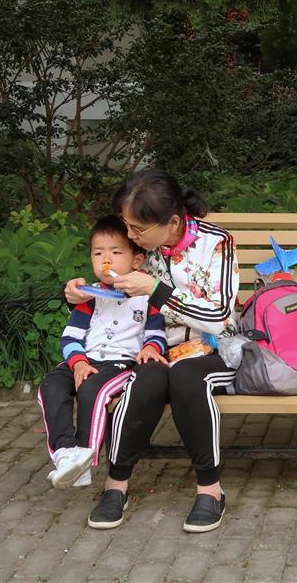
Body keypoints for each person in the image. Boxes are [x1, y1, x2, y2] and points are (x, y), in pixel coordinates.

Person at [64, 170, 239, 532]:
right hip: (150, 346)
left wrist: (155, 289)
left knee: (186, 380)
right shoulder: (144, 249)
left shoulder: (216, 243)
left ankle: (210, 489)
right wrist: (80, 292)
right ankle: (116, 486)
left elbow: (219, 317)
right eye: (128, 226)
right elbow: (108, 284)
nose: (130, 237)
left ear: (172, 222)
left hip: (211, 348)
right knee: (146, 382)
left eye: (138, 230)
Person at [38, 215, 167, 489]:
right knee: (50, 386)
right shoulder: (89, 295)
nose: (105, 258)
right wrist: (77, 363)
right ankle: (65, 453)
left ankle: (85, 454)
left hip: (119, 364)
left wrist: (150, 348)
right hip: (84, 359)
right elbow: (71, 335)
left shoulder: (146, 295)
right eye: (98, 253)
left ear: (136, 261)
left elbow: (156, 331)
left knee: (91, 391)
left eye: (115, 252)